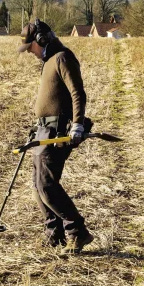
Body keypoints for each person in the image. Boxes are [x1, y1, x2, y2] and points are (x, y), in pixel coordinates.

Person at [19, 18, 93, 252]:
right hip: (43, 129)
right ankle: (54, 233)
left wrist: (78, 125)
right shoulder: (49, 60)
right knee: (37, 185)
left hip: (57, 131)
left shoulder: (62, 57)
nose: (30, 52)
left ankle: (77, 231)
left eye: (31, 47)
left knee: (47, 185)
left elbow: (77, 93)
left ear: (42, 40)